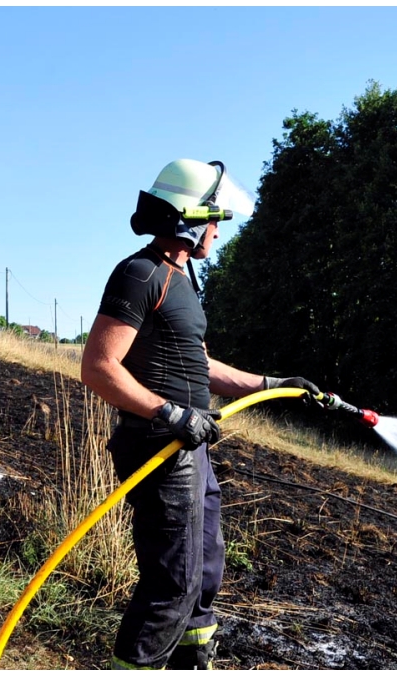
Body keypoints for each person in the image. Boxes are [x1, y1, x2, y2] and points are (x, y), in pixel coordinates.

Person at [81, 159, 321, 670]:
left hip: (190, 448)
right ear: (187, 219)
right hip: (161, 447)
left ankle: (193, 660)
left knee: (205, 569)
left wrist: (271, 385)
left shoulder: (181, 280)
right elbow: (98, 367)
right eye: (214, 219)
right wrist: (170, 414)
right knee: (173, 581)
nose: (218, 230)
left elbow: (201, 365)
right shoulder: (140, 273)